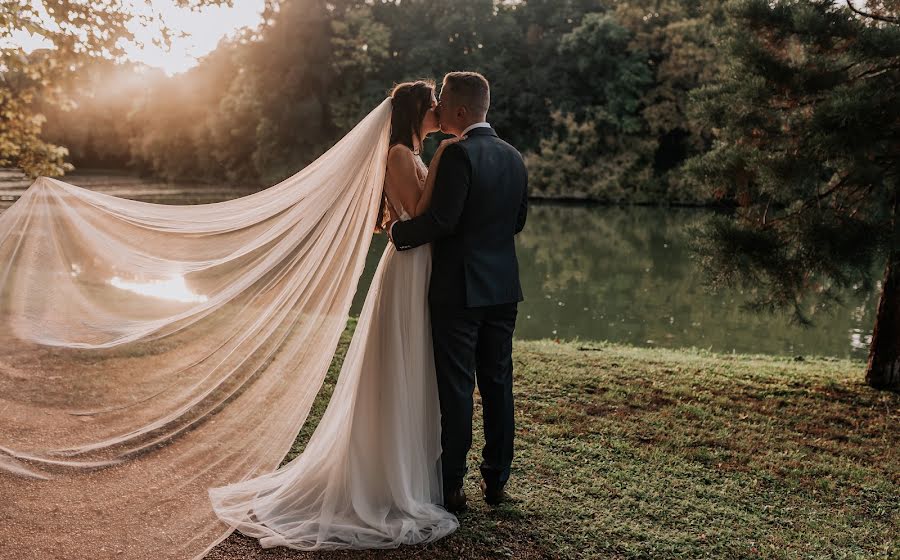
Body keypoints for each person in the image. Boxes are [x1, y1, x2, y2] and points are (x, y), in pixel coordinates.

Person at [208, 80, 463, 549]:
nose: (437, 110)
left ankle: (408, 468)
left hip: (419, 263)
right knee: (400, 365)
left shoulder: (409, 152)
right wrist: (446, 160)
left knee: (413, 365)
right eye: (432, 105)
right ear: (416, 112)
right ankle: (385, 479)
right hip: (409, 266)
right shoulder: (401, 156)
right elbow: (418, 211)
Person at [388, 71, 529, 512]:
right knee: (498, 383)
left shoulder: (457, 155)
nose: (439, 110)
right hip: (503, 289)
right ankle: (497, 482)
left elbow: (442, 221)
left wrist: (399, 235)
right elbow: (517, 222)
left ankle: (451, 487)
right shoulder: (514, 157)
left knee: (456, 388)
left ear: (462, 111)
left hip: (458, 293)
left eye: (444, 103)